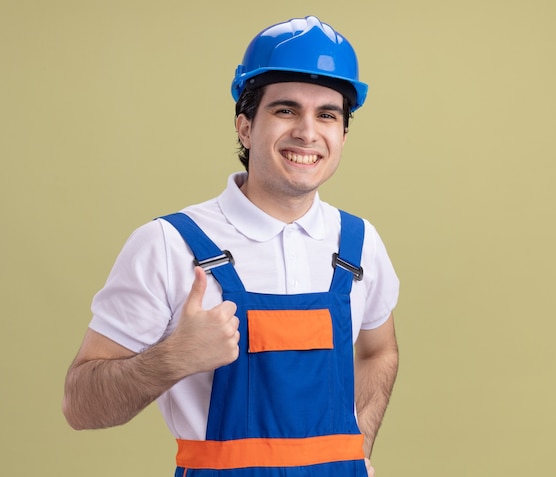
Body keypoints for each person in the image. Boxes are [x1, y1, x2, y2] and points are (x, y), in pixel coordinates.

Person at [63, 15, 399, 477]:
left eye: (327, 114)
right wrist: (172, 359)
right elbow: (80, 405)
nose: (307, 131)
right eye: (285, 110)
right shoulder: (169, 245)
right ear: (244, 126)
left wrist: (357, 448)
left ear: (343, 133)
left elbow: (380, 351)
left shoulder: (359, 244)